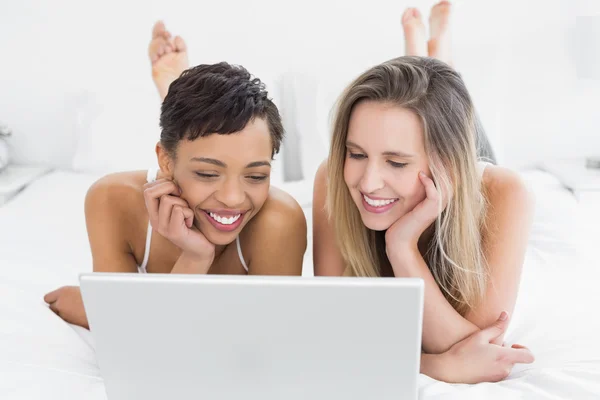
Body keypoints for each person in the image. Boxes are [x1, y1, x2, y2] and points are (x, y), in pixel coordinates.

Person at [312, 1, 535, 384]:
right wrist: (438, 367)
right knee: (426, 103)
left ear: (446, 166)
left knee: (453, 115)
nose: (366, 183)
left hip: (467, 179)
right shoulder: (333, 179)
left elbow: (476, 346)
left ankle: (435, 53)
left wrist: (401, 246)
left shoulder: (506, 191)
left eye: (396, 163)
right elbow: (339, 336)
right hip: (440, 148)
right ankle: (425, 56)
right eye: (356, 154)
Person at [44, 22, 307, 329]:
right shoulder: (111, 200)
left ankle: (174, 87)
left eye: (257, 176)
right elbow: (134, 348)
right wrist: (195, 256)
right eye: (208, 173)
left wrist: (97, 313)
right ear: (163, 161)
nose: (234, 198)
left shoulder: (280, 221)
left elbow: (263, 346)